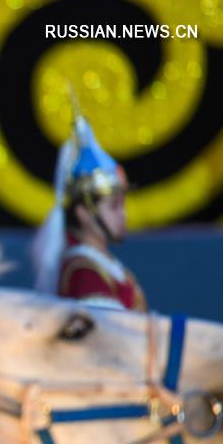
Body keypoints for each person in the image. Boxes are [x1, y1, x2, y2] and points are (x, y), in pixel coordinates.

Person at [32, 110, 146, 311]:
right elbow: (108, 338)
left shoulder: (104, 264)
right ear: (83, 213)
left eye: (122, 205)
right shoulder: (84, 272)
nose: (123, 215)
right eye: (113, 206)